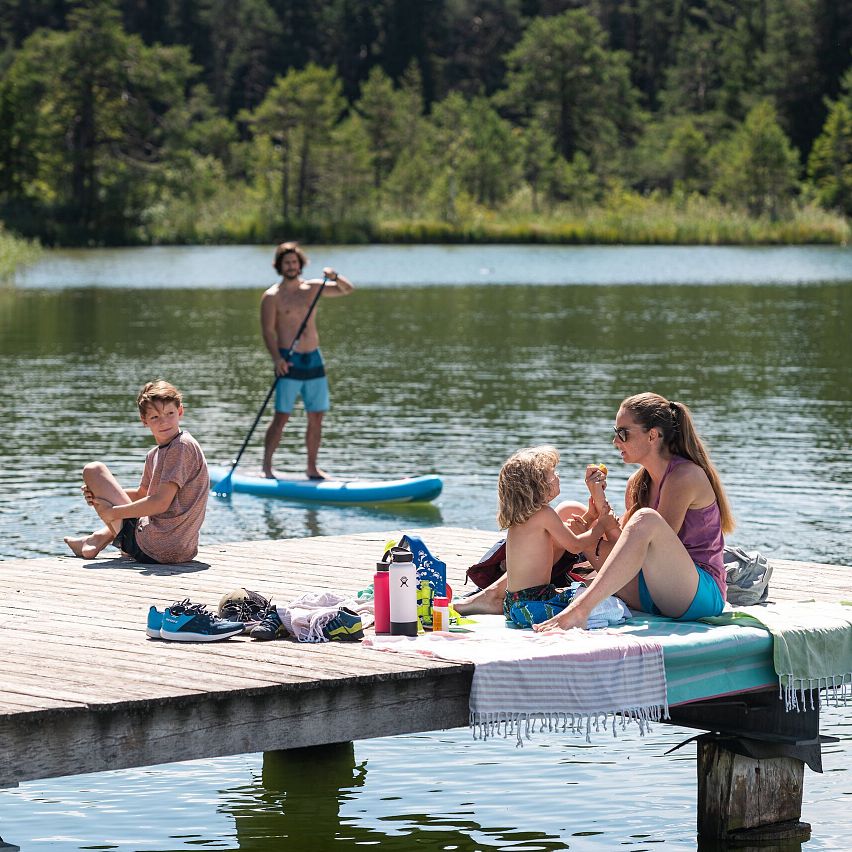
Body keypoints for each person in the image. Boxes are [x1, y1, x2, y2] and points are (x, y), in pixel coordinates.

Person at [533, 392, 734, 631]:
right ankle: (513, 594)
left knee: (645, 519)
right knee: (567, 511)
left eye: (623, 433)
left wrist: (588, 540)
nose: (616, 441)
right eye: (615, 432)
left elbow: (647, 549)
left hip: (696, 595)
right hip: (652, 590)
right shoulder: (638, 483)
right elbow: (626, 548)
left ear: (652, 435)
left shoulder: (685, 477)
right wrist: (597, 499)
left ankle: (580, 611)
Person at [63, 380, 209, 564]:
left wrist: (113, 512)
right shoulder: (155, 454)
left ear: (180, 411)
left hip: (156, 546)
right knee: (105, 489)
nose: (164, 422)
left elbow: (160, 503)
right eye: (155, 417)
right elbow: (143, 495)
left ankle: (96, 539)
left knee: (93, 470)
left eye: (170, 413)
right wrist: (99, 494)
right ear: (144, 421)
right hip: (180, 550)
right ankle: (95, 539)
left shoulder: (181, 447)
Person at [261, 241, 354, 480]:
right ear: (279, 266)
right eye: (286, 263)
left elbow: (347, 290)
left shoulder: (313, 288)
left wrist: (335, 276)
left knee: (316, 416)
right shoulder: (272, 297)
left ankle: (312, 468)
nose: (291, 266)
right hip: (288, 362)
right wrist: (277, 359)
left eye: (294, 262)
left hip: (313, 358)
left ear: (300, 264)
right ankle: (267, 467)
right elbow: (268, 331)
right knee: (281, 416)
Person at [497, 446, 618, 628]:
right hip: (533, 606)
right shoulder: (544, 513)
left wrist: (591, 516)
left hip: (514, 605)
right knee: (610, 606)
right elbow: (575, 546)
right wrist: (602, 524)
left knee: (580, 593)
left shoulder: (522, 517)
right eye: (553, 474)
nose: (558, 476)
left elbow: (567, 536)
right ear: (538, 485)